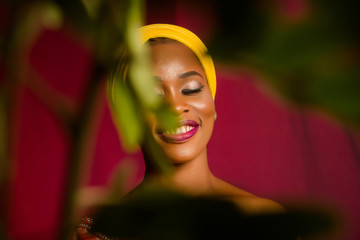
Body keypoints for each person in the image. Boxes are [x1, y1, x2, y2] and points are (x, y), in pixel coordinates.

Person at [74, 24, 285, 240]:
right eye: (153, 95)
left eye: (191, 89)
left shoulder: (262, 219)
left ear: (212, 106)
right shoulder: (98, 231)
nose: (175, 106)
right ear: (127, 116)